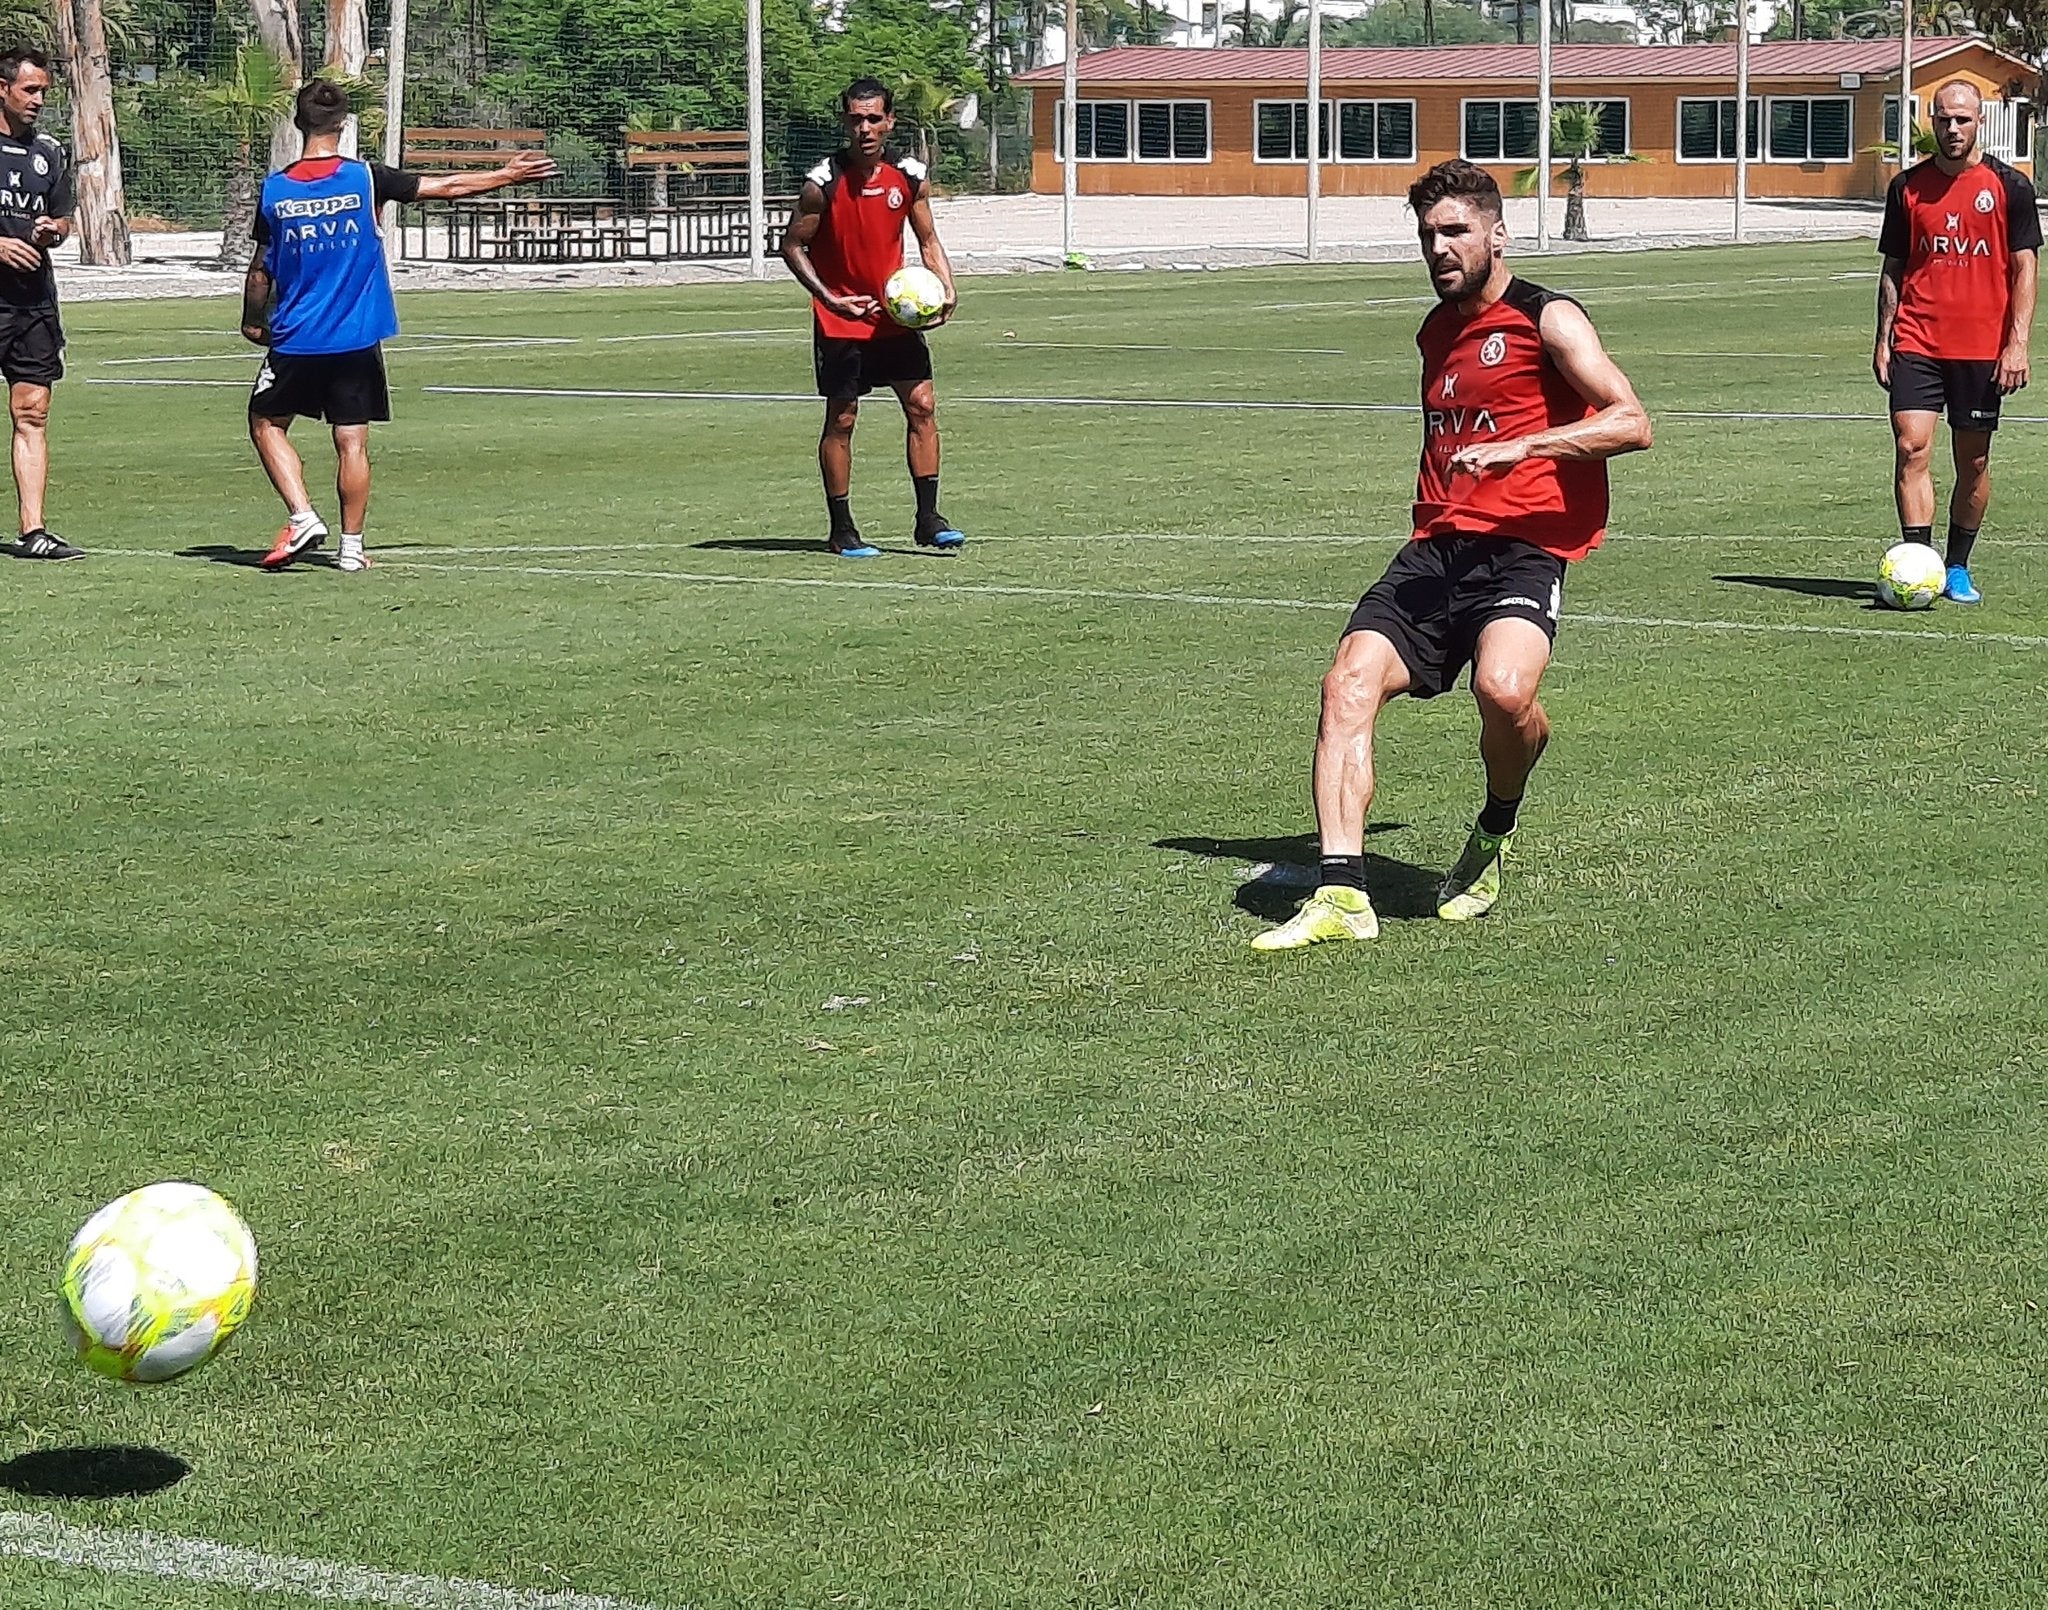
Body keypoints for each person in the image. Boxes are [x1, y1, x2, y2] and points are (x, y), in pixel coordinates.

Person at [1251, 159, 1651, 952]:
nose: (1440, 248)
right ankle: (1342, 893)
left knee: (1505, 696)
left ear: (1497, 234)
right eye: (1428, 235)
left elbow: (1632, 421)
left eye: (1456, 232)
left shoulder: (1550, 318)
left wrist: (1524, 448)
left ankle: (1495, 827)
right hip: (1434, 550)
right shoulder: (1435, 331)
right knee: (1347, 685)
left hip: (1525, 550)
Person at [242, 79, 558, 571]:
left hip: (298, 337)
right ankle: (351, 550)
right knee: (351, 441)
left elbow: (260, 271)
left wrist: (252, 323)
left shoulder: (276, 191)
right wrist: (507, 176)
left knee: (266, 422)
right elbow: (447, 188)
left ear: (298, 122)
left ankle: (303, 515)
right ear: (343, 126)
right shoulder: (368, 179)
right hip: (356, 337)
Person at [780, 77, 963, 559]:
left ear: (889, 122)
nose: (865, 128)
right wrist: (828, 298)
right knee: (842, 419)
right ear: (845, 122)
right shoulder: (824, 183)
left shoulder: (909, 177)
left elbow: (927, 239)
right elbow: (792, 245)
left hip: (894, 317)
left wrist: (947, 287)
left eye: (874, 119)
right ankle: (842, 529)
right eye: (856, 119)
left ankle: (929, 519)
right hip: (841, 319)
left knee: (922, 405)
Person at [1874, 79, 2039, 605]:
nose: (1952, 129)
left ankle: (1959, 565)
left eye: (1962, 120)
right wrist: (1884, 337)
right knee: (1911, 447)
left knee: (1973, 462)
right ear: (1931, 120)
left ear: (1980, 121)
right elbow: (1894, 268)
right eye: (1943, 119)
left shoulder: (2010, 187)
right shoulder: (1906, 188)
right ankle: (1919, 564)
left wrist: (2017, 344)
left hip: (1982, 349)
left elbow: (2025, 269)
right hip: (1917, 340)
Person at [0, 47, 79, 561]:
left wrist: (54, 230)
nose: (38, 100)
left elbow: (64, 217)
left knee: (32, 411)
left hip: (32, 307)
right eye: (30, 90)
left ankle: (34, 531)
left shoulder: (48, 153)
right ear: (1, 89)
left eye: (44, 92)